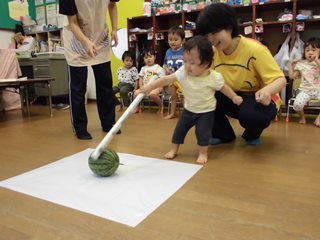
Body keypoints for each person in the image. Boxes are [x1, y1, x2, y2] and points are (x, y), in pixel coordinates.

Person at [140, 36, 243, 164]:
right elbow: (167, 79)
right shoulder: (184, 71)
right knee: (179, 130)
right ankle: (173, 150)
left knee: (202, 134)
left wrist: (234, 97)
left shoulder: (214, 77)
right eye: (185, 61)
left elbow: (223, 88)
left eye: (192, 63)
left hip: (206, 112)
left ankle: (202, 153)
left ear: (206, 63)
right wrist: (150, 86)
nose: (187, 66)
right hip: (188, 110)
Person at [196, 3, 286, 145]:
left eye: (214, 33)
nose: (211, 40)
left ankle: (252, 134)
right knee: (202, 96)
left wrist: (266, 91)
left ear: (229, 27)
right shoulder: (213, 52)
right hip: (233, 97)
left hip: (258, 98)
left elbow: (281, 80)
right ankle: (223, 134)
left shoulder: (255, 49)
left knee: (251, 116)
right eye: (207, 36)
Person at [59, 0, 119, 140]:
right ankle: (80, 128)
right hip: (76, 38)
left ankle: (108, 123)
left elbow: (112, 5)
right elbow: (72, 22)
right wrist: (86, 42)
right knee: (78, 87)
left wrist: (115, 29)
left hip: (99, 35)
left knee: (105, 84)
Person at [288, 37, 320, 127]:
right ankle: (302, 117)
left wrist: (317, 60)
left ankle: (319, 118)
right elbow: (292, 76)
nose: (310, 52)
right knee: (297, 105)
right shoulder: (302, 64)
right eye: (307, 50)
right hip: (305, 90)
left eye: (314, 50)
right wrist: (291, 65)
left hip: (318, 89)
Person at [133, 48, 165, 113]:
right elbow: (141, 78)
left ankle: (161, 106)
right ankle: (137, 107)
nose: (148, 59)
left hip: (156, 87)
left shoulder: (158, 68)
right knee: (136, 93)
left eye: (150, 57)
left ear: (154, 57)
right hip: (145, 87)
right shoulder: (143, 68)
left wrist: (159, 87)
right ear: (143, 59)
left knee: (152, 94)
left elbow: (163, 79)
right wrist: (141, 86)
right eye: (146, 57)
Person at [163, 26, 185, 120]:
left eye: (176, 39)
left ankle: (185, 115)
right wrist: (166, 68)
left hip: (183, 78)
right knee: (173, 96)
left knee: (184, 96)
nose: (172, 42)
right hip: (172, 78)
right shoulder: (168, 51)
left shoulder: (185, 50)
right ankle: (172, 113)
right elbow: (164, 63)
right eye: (170, 39)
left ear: (182, 40)